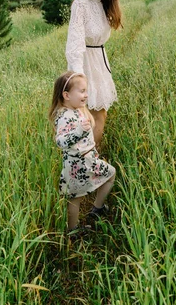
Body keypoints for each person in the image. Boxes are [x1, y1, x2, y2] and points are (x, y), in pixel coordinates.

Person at [48, 71, 116, 234]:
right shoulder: (65, 116)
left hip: (88, 160)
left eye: (86, 90)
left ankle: (95, 209)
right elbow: (61, 141)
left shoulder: (77, 108)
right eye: (82, 91)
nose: (86, 95)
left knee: (109, 174)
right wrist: (78, 131)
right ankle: (73, 229)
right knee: (75, 199)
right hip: (77, 163)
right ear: (66, 95)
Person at [66, 0, 123, 150]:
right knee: (88, 115)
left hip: (100, 61)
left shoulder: (103, 4)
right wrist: (78, 75)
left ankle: (93, 155)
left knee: (100, 113)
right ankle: (87, 158)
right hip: (85, 62)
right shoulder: (81, 3)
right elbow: (75, 41)